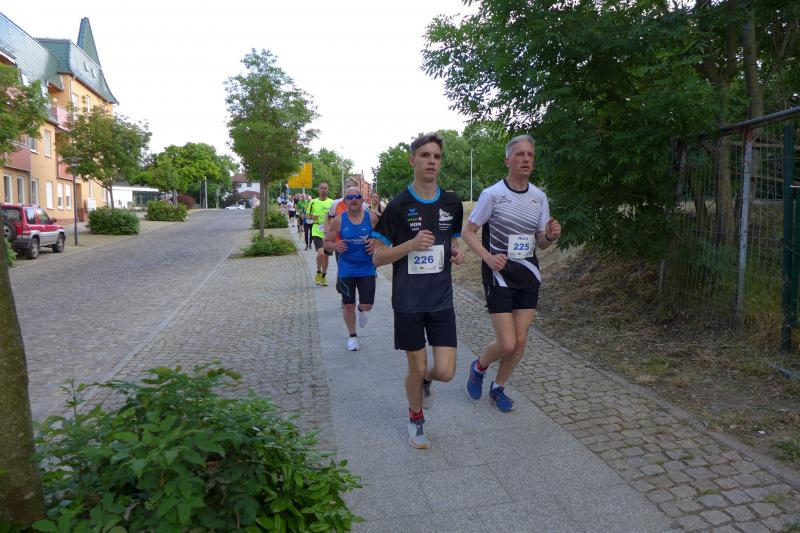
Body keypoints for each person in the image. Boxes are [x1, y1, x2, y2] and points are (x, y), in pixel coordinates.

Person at [372, 133, 465, 449]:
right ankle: (416, 419)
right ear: (413, 160)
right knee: (417, 365)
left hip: (441, 299)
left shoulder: (451, 203)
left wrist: (456, 251)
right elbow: (378, 257)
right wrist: (410, 245)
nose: (431, 161)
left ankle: (426, 380)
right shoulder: (399, 205)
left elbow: (451, 239)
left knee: (446, 372)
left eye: (436, 156)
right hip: (408, 302)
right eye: (425, 155)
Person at [461, 134, 562, 412]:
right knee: (507, 342)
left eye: (530, 154)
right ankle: (479, 367)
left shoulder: (539, 197)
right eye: (520, 154)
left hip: (528, 274)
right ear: (508, 160)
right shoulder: (492, 194)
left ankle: (498, 388)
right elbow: (468, 231)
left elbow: (541, 242)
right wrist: (488, 257)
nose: (526, 159)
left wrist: (550, 236)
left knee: (520, 341)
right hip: (499, 273)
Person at [324, 186, 379, 351]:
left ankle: (361, 309)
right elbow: (326, 242)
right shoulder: (339, 220)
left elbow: (384, 238)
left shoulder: (372, 218)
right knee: (348, 305)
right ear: (345, 201)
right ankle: (352, 336)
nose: (354, 199)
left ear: (362, 200)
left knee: (367, 305)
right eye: (350, 197)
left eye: (357, 196)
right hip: (346, 267)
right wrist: (335, 245)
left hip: (367, 267)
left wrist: (375, 242)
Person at [307, 182, 334, 285]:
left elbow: (336, 216)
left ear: (328, 190)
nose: (323, 190)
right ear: (318, 190)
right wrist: (312, 217)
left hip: (328, 232)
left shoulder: (332, 202)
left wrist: (332, 221)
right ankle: (318, 272)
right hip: (317, 230)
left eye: (325, 188)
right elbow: (307, 215)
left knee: (326, 256)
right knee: (321, 253)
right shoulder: (313, 202)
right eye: (321, 188)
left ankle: (323, 276)